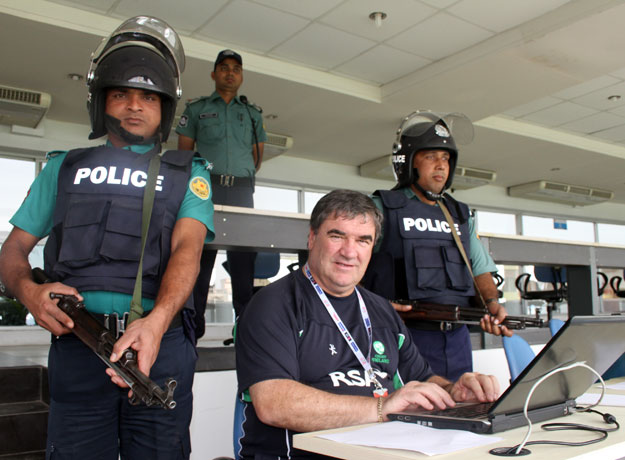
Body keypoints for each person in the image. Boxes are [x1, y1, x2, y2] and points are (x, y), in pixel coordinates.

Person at [0, 16, 214, 459]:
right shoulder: (63, 168)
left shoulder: (188, 174)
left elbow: (187, 251)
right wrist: (30, 293)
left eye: (148, 97)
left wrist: (155, 324)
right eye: (121, 94)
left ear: (165, 107)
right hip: (79, 343)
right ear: (101, 101)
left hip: (161, 344)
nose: (135, 106)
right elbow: (14, 249)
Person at [235, 189, 500, 460]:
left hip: (385, 449)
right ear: (312, 237)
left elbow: (422, 380)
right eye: (337, 235)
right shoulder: (273, 304)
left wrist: (453, 391)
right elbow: (274, 404)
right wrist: (382, 408)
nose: (350, 252)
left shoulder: (381, 309)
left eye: (363, 240)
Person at [361, 110, 512, 382]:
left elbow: (478, 269)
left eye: (445, 158)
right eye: (431, 157)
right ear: (409, 163)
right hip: (400, 337)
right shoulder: (380, 207)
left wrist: (491, 304)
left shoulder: (460, 215)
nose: (441, 165)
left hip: (456, 339)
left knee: (461, 407)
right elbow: (349, 267)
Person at [176, 48, 266, 334]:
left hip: (240, 191)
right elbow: (184, 156)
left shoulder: (251, 114)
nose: (230, 72)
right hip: (207, 188)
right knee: (199, 258)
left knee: (243, 264)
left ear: (241, 76)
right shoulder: (197, 109)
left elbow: (257, 158)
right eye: (224, 67)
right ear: (214, 74)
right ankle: (193, 327)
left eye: (236, 68)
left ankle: (246, 328)